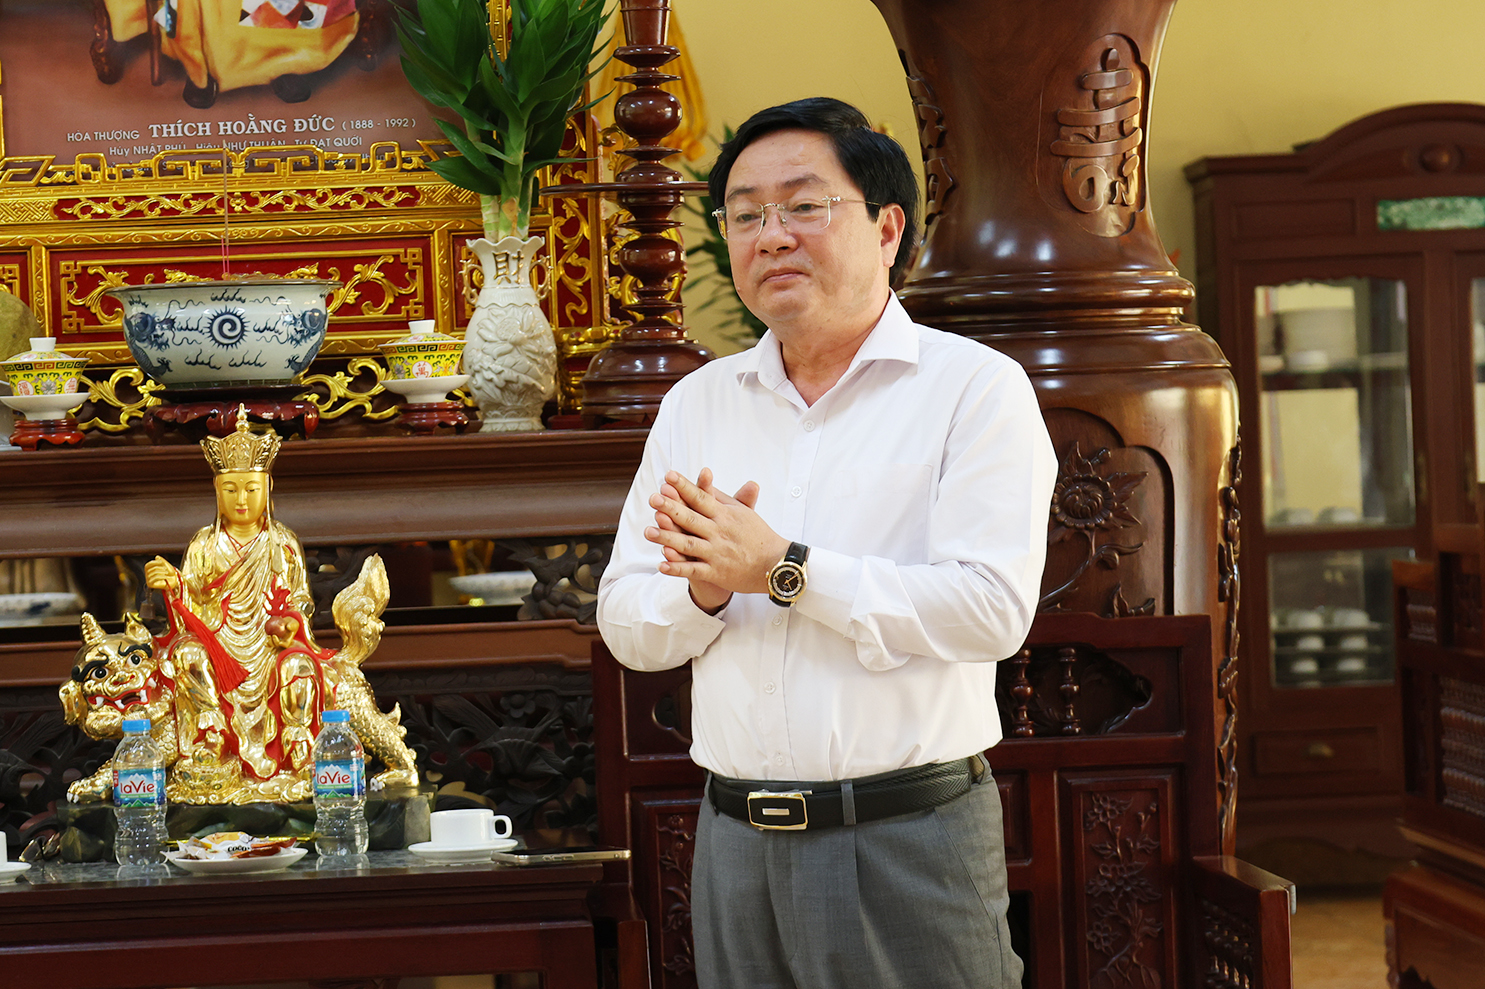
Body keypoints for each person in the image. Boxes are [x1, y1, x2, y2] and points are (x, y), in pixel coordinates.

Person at [596, 97, 1057, 988]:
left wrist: (783, 570)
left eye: (804, 206)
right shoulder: (699, 403)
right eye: (744, 215)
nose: (771, 235)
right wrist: (705, 588)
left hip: (905, 836)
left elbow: (991, 610)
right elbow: (626, 621)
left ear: (886, 229)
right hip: (734, 840)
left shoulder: (973, 389)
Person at [144, 411, 326, 801]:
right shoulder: (204, 545)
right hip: (219, 644)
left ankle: (296, 743)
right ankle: (211, 735)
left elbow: (301, 599)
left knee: (299, 666)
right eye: (230, 490)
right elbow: (190, 603)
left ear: (268, 488)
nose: (241, 500)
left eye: (250, 489)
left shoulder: (282, 543)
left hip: (269, 646)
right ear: (216, 491)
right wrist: (172, 584)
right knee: (188, 656)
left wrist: (292, 624)